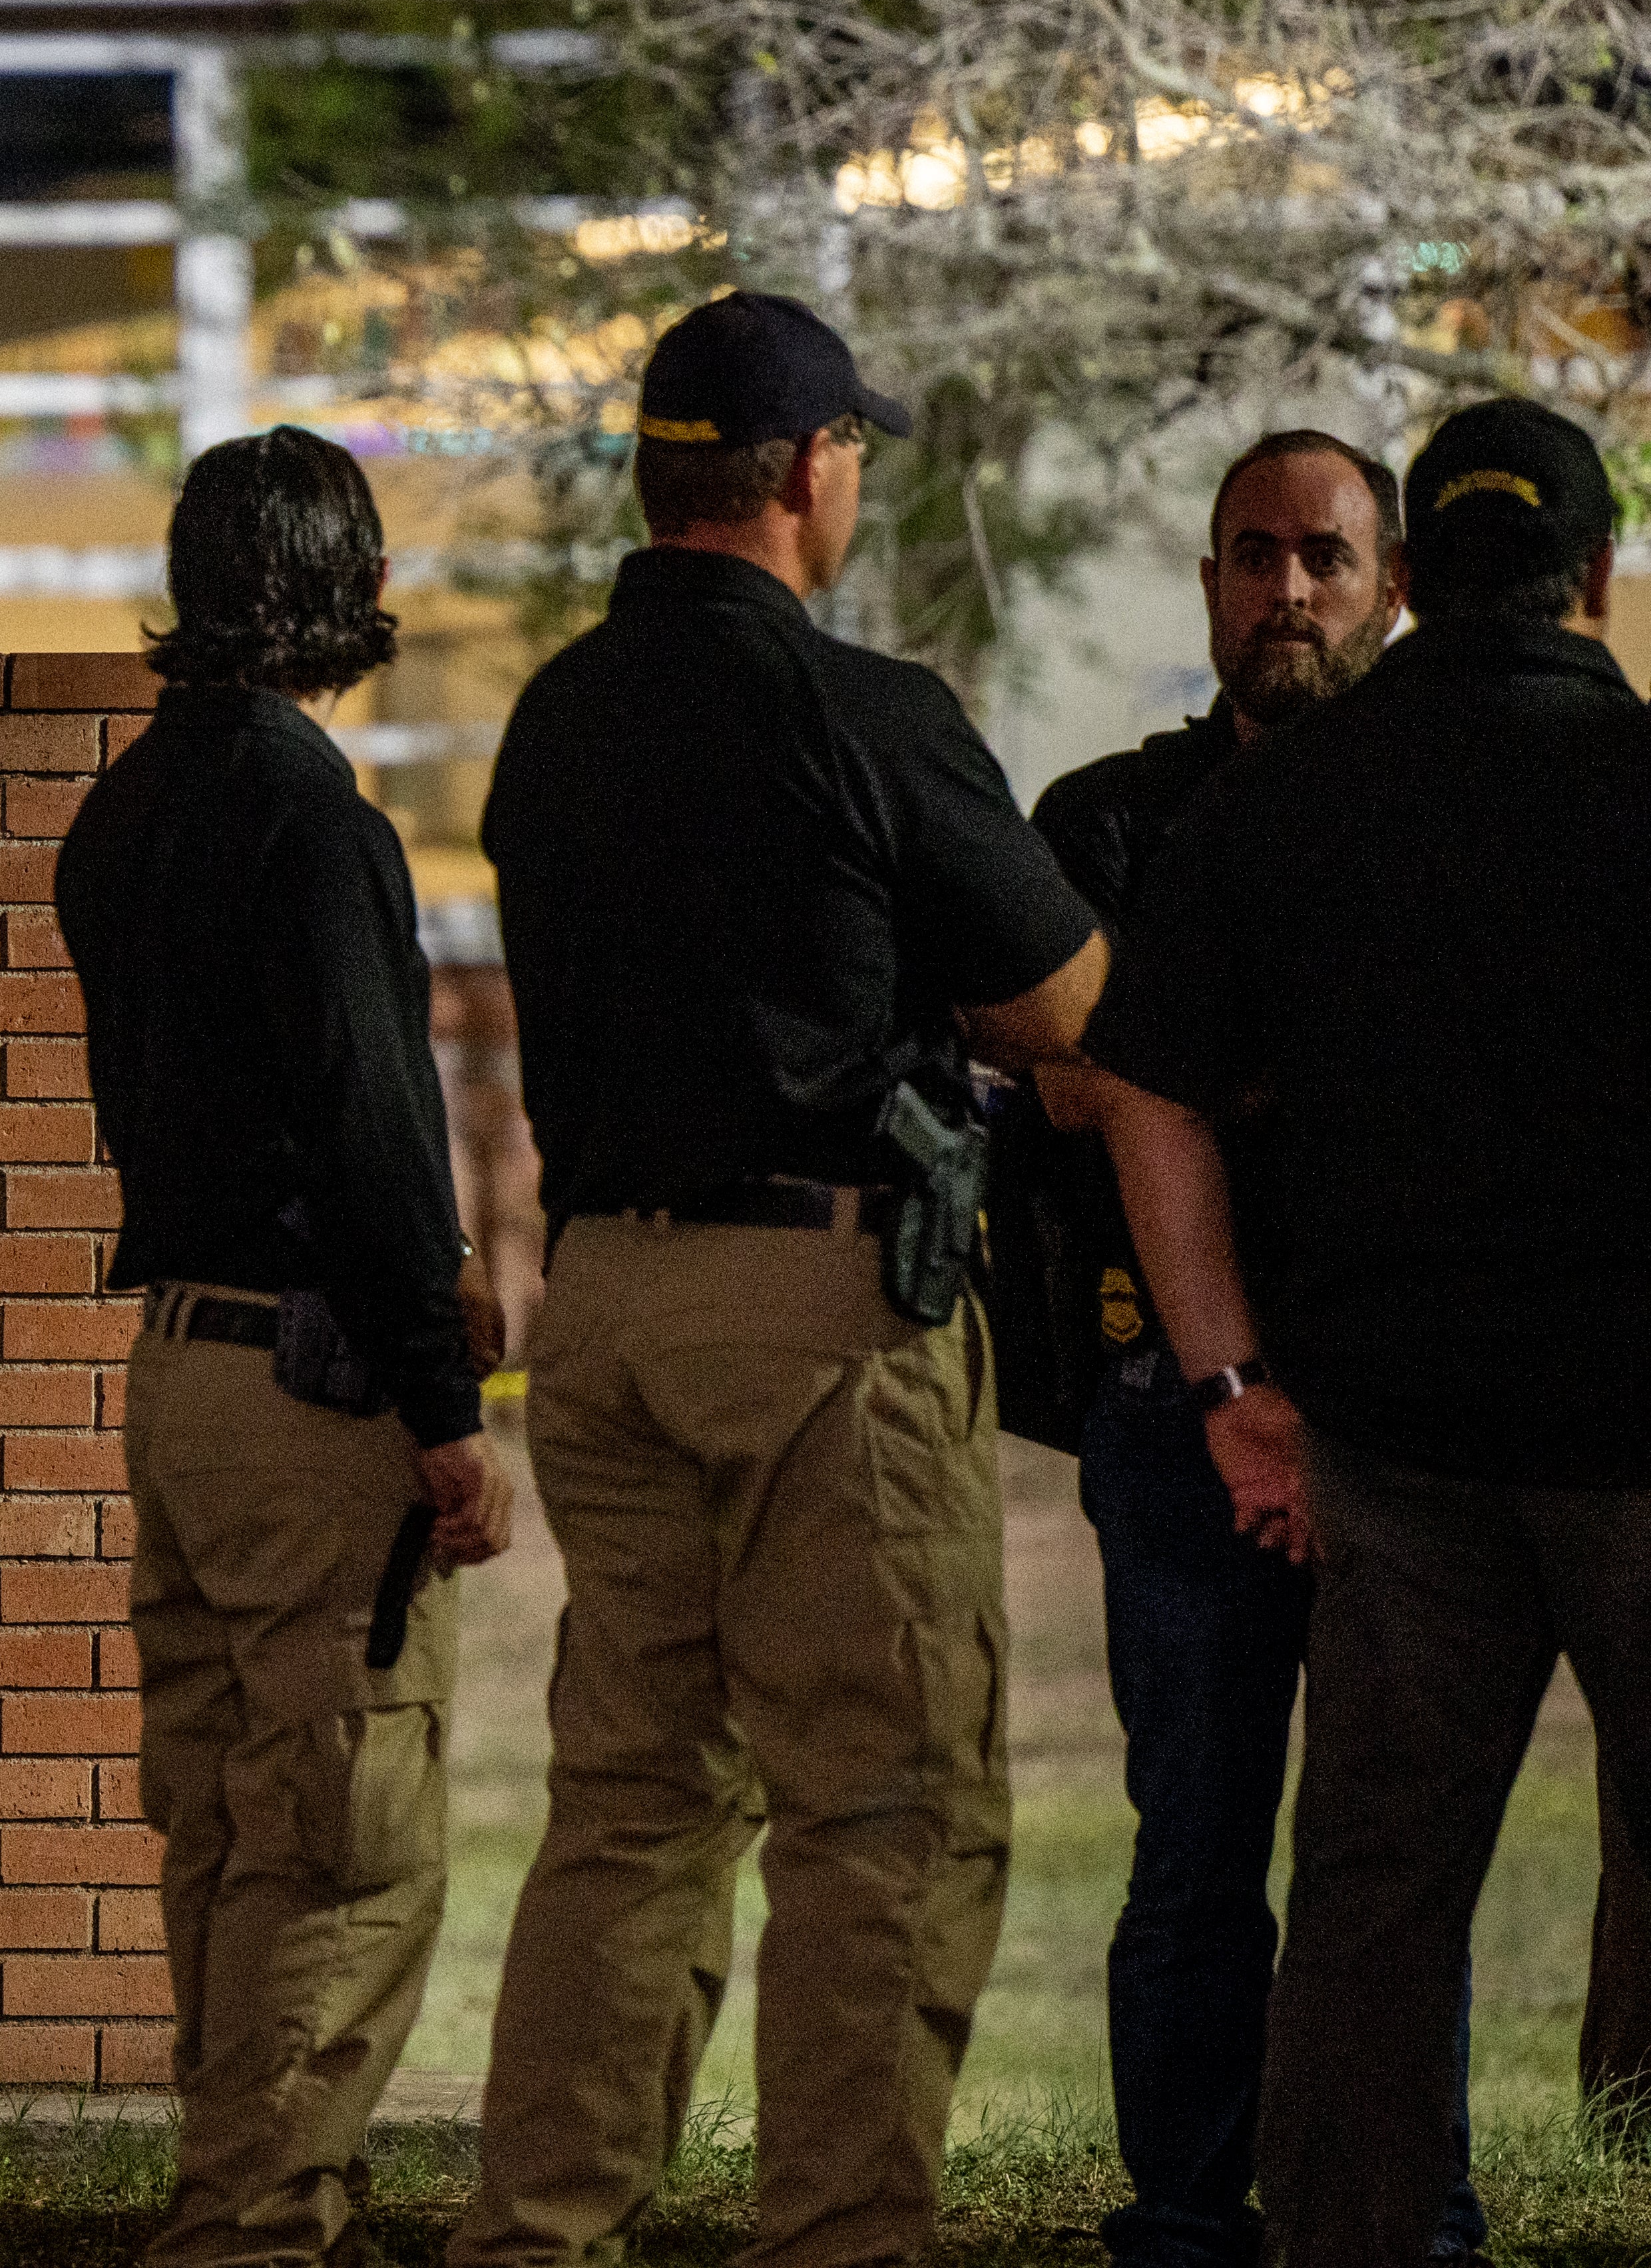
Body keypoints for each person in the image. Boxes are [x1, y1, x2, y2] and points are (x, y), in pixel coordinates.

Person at [452, 292, 1106, 2268]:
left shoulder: (553, 719)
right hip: (819, 1312)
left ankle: (538, 2234)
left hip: (611, 1311)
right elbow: (1067, 1004)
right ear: (810, 472)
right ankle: (837, 2238)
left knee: (633, 1811)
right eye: (851, 461)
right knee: (886, 1815)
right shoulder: (869, 714)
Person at [1075, 398, 1651, 2268]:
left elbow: (1142, 1085)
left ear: (1408, 582)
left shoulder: (1280, 803)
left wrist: (1232, 1380)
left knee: (1373, 1912)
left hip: (1394, 1458)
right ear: (1594, 576)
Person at [1027, 433, 1495, 2268]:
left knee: (1399, 1862)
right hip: (1181, 1414)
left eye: (1324, 556)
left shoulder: (1449, 805)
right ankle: (1187, 2217)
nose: (1285, 591)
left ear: (1388, 583)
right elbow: (1056, 1071)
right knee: (1199, 1846)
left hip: (1408, 1410)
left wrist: (1177, 1078)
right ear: (1207, 581)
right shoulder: (1112, 821)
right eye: (1251, 556)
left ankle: (1399, 2218)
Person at [55, 425, 515, 2268]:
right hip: (311, 1380)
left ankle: (229, 2188)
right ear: (352, 590)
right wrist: (444, 1401)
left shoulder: (124, 812)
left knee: (228, 1827)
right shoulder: (315, 823)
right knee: (340, 1833)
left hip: (176, 1366)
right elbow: (373, 1129)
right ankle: (254, 2222)